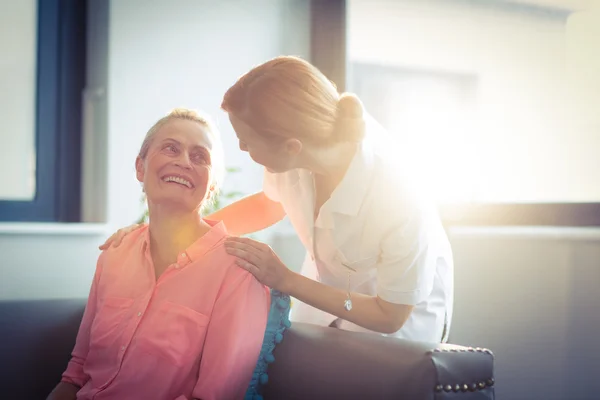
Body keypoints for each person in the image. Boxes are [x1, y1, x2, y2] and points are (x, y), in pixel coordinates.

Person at [101, 56, 454, 343]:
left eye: (247, 141)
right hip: (328, 297)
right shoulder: (302, 147)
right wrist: (168, 233)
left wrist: (283, 279)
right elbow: (269, 204)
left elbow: (390, 315)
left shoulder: (398, 196)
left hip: (396, 327)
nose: (240, 148)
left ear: (290, 147)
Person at [48, 109, 270, 400]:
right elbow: (76, 375)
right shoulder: (114, 254)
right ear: (140, 168)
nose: (183, 161)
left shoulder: (239, 271)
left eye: (200, 156)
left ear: (212, 185)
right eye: (170, 148)